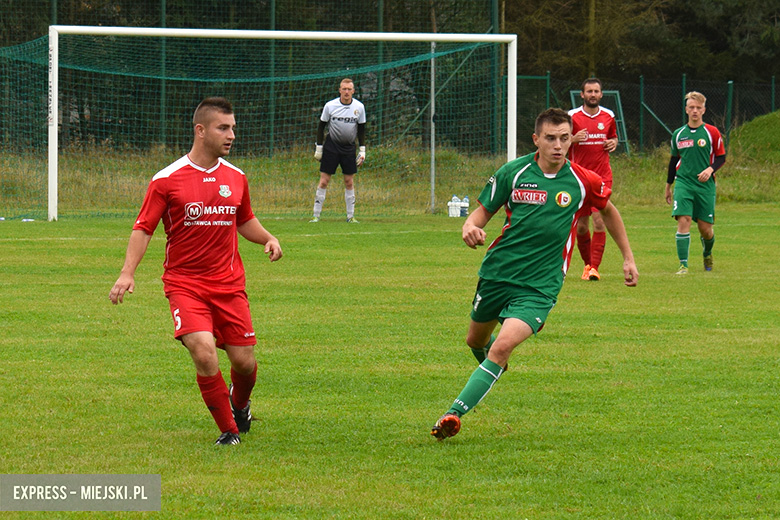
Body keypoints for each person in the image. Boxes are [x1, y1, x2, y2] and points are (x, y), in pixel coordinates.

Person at [430, 108, 638, 440]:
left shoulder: (583, 180)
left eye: (565, 138)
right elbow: (481, 214)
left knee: (501, 348)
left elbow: (609, 211)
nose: (558, 146)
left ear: (572, 139)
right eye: (551, 138)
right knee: (476, 341)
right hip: (498, 273)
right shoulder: (514, 172)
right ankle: (490, 366)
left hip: (541, 285)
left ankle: (453, 414)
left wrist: (627, 258)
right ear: (536, 140)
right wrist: (469, 227)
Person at [109, 97, 283, 446]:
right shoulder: (166, 179)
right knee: (202, 351)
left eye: (233, 127)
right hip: (185, 284)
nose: (231, 134)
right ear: (200, 131)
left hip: (230, 284)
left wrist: (267, 237)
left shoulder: (236, 178)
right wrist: (127, 273)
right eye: (223, 128)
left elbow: (244, 219)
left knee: (245, 363)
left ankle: (241, 404)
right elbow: (143, 228)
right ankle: (229, 430)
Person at [665, 91, 726, 274]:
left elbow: (721, 157)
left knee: (705, 229)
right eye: (691, 107)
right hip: (683, 182)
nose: (694, 111)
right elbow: (673, 161)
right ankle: (683, 264)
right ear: (686, 109)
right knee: (684, 219)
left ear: (704, 110)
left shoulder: (711, 132)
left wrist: (710, 169)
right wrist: (668, 186)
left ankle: (707, 252)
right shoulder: (678, 134)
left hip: (705, 186)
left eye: (698, 108)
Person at [568, 77, 619, 281]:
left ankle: (594, 268)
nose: (593, 95)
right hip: (579, 178)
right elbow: (558, 140)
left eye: (596, 91)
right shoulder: (571, 117)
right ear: (582, 95)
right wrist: (571, 139)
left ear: (601, 94)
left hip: (602, 177)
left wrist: (613, 143)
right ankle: (587, 264)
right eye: (589, 91)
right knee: (581, 226)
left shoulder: (608, 116)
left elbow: (613, 136)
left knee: (599, 221)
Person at [309, 78, 367, 223]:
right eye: (344, 89)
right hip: (331, 147)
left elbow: (361, 129)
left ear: (353, 91)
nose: (346, 92)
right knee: (324, 181)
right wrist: (319, 148)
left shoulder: (359, 107)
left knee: (349, 181)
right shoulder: (330, 106)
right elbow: (321, 126)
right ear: (340, 90)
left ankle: (350, 216)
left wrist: (362, 150)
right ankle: (316, 216)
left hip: (348, 148)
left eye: (349, 89)